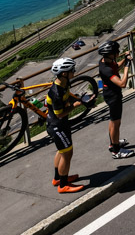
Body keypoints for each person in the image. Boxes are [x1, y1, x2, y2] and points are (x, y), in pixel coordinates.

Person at [47, 57, 87, 193]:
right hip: (57, 124)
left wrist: (79, 99)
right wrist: (76, 105)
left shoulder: (64, 84)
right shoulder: (56, 92)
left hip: (59, 124)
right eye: (72, 70)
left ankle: (58, 178)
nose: (74, 72)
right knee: (67, 154)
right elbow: (60, 114)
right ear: (64, 73)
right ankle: (63, 185)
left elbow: (68, 97)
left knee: (62, 151)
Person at [97, 42, 133, 159]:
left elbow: (116, 67)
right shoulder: (106, 69)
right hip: (113, 96)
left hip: (111, 94)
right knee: (116, 123)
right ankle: (116, 151)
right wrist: (127, 66)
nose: (117, 53)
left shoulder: (106, 61)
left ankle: (113, 143)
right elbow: (122, 83)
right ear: (109, 54)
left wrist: (124, 60)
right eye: (115, 52)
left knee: (113, 122)